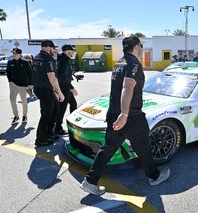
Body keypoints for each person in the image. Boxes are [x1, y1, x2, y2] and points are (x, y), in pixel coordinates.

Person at [80, 36, 170, 195]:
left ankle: (90, 181)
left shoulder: (119, 62)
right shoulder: (133, 64)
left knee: (108, 148)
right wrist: (125, 114)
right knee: (144, 146)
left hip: (114, 113)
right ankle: (154, 176)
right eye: (141, 46)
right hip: (131, 116)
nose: (141, 49)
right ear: (136, 46)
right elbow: (127, 87)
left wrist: (120, 113)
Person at [32, 40, 65, 147]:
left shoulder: (37, 57)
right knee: (46, 114)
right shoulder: (47, 58)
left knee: (55, 110)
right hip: (44, 90)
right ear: (47, 47)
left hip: (41, 89)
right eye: (52, 48)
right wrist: (59, 92)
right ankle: (41, 139)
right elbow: (52, 77)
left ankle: (49, 134)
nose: (54, 50)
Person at [55, 44, 78, 135]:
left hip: (65, 87)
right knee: (62, 108)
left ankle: (73, 124)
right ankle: (57, 128)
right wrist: (72, 88)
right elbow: (62, 77)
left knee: (73, 104)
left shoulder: (63, 59)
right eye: (71, 51)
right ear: (66, 51)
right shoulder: (64, 61)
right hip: (64, 88)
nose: (72, 52)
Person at [6, 48, 33, 124]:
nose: (14, 54)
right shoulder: (10, 62)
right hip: (13, 85)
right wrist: (10, 81)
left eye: (15, 53)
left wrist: (30, 83)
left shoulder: (25, 63)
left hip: (22, 85)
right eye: (13, 53)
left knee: (24, 101)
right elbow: (8, 72)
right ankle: (16, 116)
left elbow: (30, 73)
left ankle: (24, 116)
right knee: (12, 100)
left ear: (20, 54)